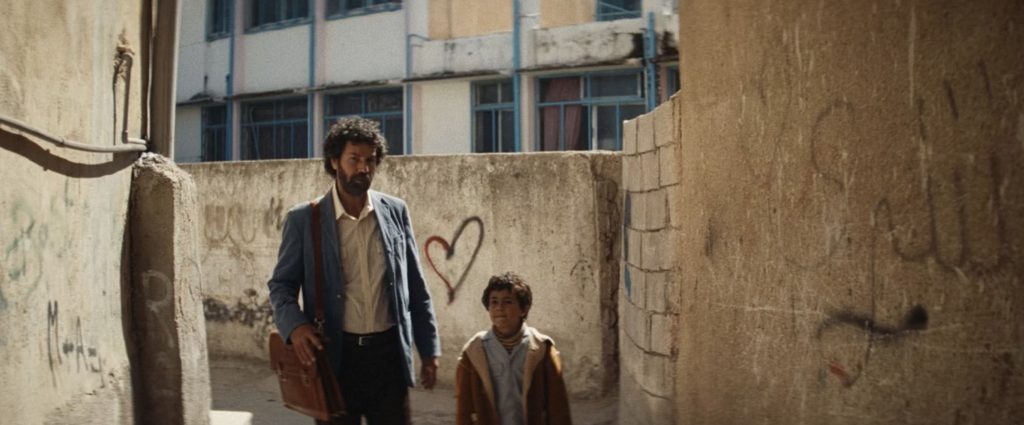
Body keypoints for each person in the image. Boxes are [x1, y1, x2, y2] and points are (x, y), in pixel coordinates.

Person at [268, 116, 440, 425]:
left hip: (388, 359)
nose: (363, 168)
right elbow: (281, 286)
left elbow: (415, 286)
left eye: (370, 160)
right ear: (334, 161)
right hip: (336, 359)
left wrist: (429, 350)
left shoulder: (395, 211)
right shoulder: (304, 219)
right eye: (354, 159)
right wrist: (295, 326)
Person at [455, 272, 572, 425]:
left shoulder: (541, 349)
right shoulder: (474, 351)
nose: (499, 308)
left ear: (524, 309)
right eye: (494, 302)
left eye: (508, 302)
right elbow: (464, 408)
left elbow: (558, 406)